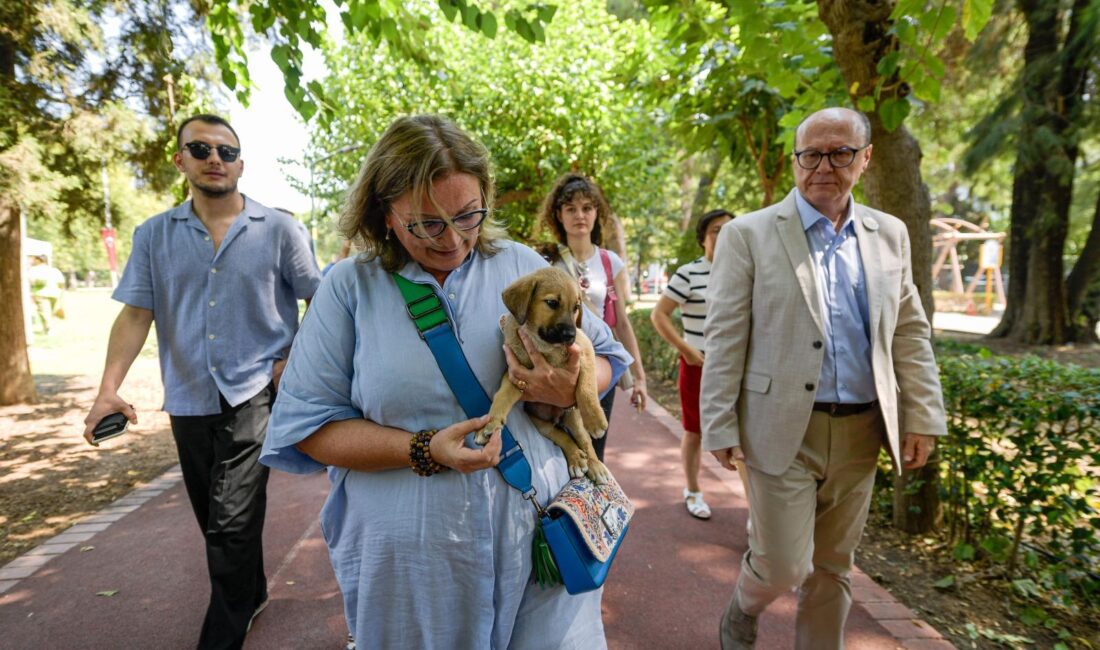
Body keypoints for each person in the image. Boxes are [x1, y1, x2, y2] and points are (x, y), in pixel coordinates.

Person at [260, 115, 631, 649]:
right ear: (385, 214)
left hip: (541, 542)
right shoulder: (349, 288)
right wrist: (423, 448)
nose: (455, 239)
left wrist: (569, 384)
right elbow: (308, 428)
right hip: (412, 564)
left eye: (468, 215)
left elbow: (609, 356)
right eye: (428, 224)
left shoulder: (521, 266)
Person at [701, 107, 947, 649]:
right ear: (795, 160)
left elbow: (908, 330)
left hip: (862, 430)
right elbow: (724, 336)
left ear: (865, 157)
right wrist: (718, 424)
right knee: (786, 564)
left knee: (834, 566)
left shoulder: (891, 234)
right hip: (780, 427)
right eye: (810, 154)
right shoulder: (749, 234)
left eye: (839, 153)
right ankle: (745, 604)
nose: (823, 167)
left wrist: (923, 415)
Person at [81, 113, 321, 650]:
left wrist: (295, 358)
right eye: (202, 149)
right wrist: (107, 388)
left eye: (227, 151)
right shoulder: (154, 235)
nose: (216, 159)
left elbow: (320, 299)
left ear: (241, 163)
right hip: (187, 396)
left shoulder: (280, 230)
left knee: (231, 521)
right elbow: (135, 315)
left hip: (255, 392)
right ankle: (252, 589)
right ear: (181, 159)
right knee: (212, 517)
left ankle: (222, 635)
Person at [537, 173, 648, 461]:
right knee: (555, 448)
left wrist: (639, 378)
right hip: (557, 361)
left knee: (594, 448)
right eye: (571, 209)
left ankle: (590, 506)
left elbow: (621, 323)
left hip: (598, 364)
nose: (579, 215)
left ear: (597, 212)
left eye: (587, 207)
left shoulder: (610, 262)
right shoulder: (546, 260)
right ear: (558, 214)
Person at [650, 209, 734, 520]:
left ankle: (757, 510)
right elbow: (659, 315)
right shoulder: (689, 273)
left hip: (736, 368)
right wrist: (685, 349)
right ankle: (694, 491)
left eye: (729, 229)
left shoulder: (747, 270)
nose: (723, 235)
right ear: (702, 238)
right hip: (698, 364)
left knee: (743, 433)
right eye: (716, 230)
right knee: (695, 431)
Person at [28, 254, 66, 334]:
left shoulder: (33, 270)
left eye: (34, 259)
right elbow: (61, 283)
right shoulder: (54, 270)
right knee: (50, 313)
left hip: (41, 295)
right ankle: (49, 328)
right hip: (55, 294)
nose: (32, 261)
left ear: (38, 260)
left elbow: (32, 281)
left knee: (45, 313)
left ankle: (49, 329)